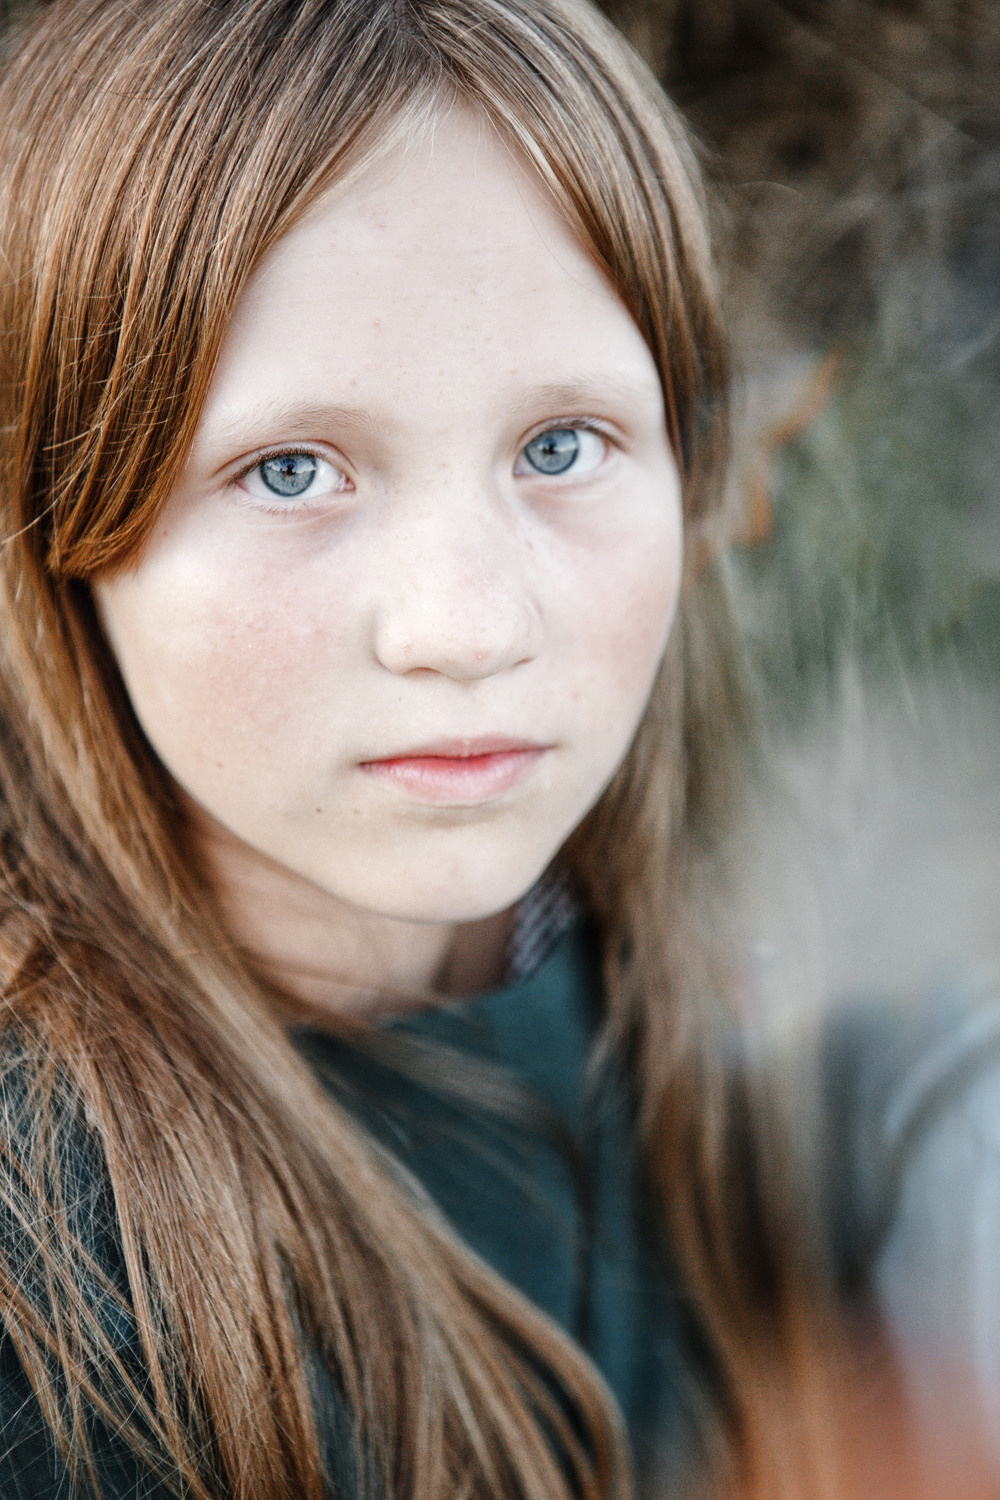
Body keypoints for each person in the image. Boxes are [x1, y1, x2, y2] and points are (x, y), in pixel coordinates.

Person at [0, 0, 963, 1496]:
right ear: (67, 523)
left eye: (560, 445)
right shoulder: (49, 1297)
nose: (462, 626)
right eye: (291, 469)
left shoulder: (701, 1047)